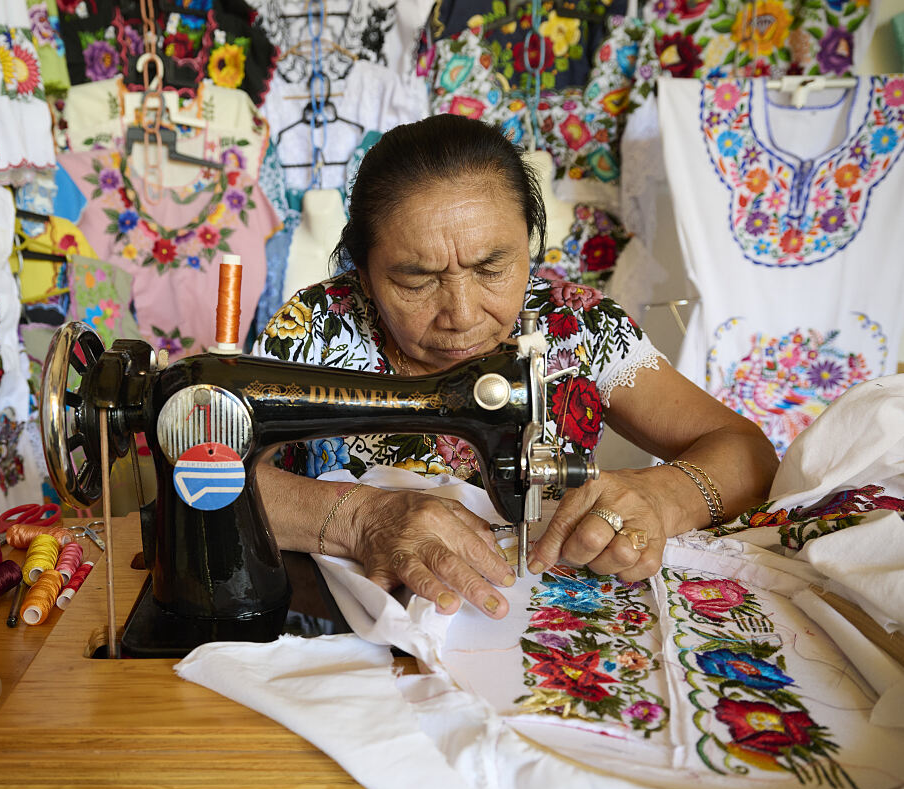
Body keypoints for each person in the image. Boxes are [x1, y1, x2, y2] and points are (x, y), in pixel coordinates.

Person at [252, 114, 778, 620]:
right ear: (363, 275)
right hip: (346, 633)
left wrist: (658, 497)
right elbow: (209, 469)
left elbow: (746, 452)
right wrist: (360, 518)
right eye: (416, 281)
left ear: (531, 247)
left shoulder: (578, 327)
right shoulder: (317, 328)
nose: (460, 314)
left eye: (491, 268)